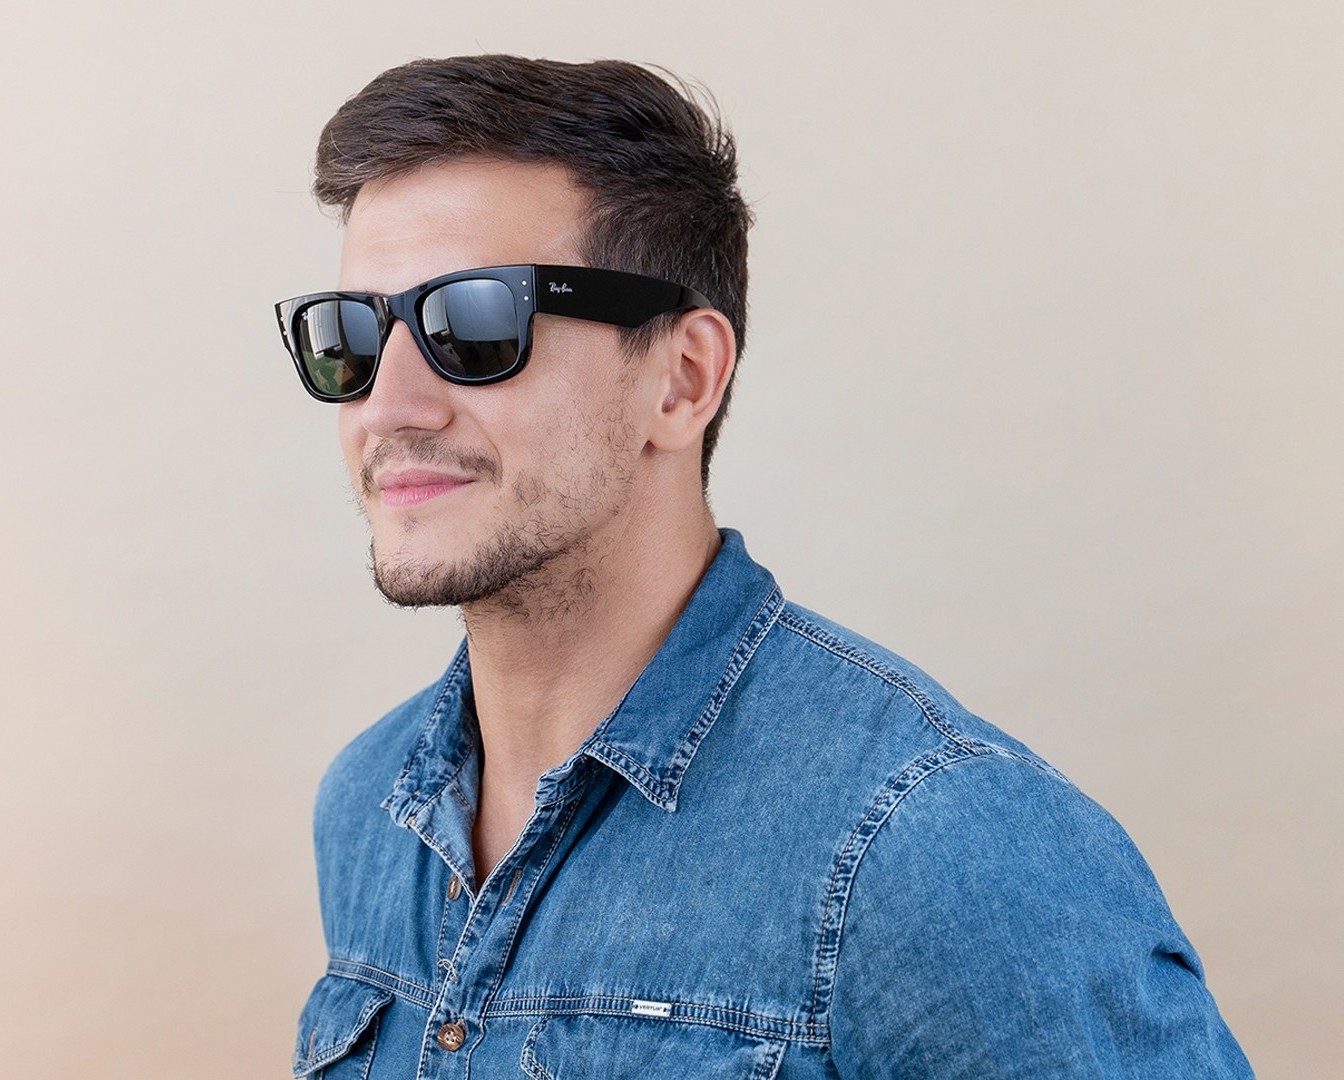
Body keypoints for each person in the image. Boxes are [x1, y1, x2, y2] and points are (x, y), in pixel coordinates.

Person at [279, 54, 1251, 1079]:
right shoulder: (368, 806)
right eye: (352, 334)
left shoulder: (931, 845)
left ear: (682, 378)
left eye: (474, 323)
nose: (387, 407)